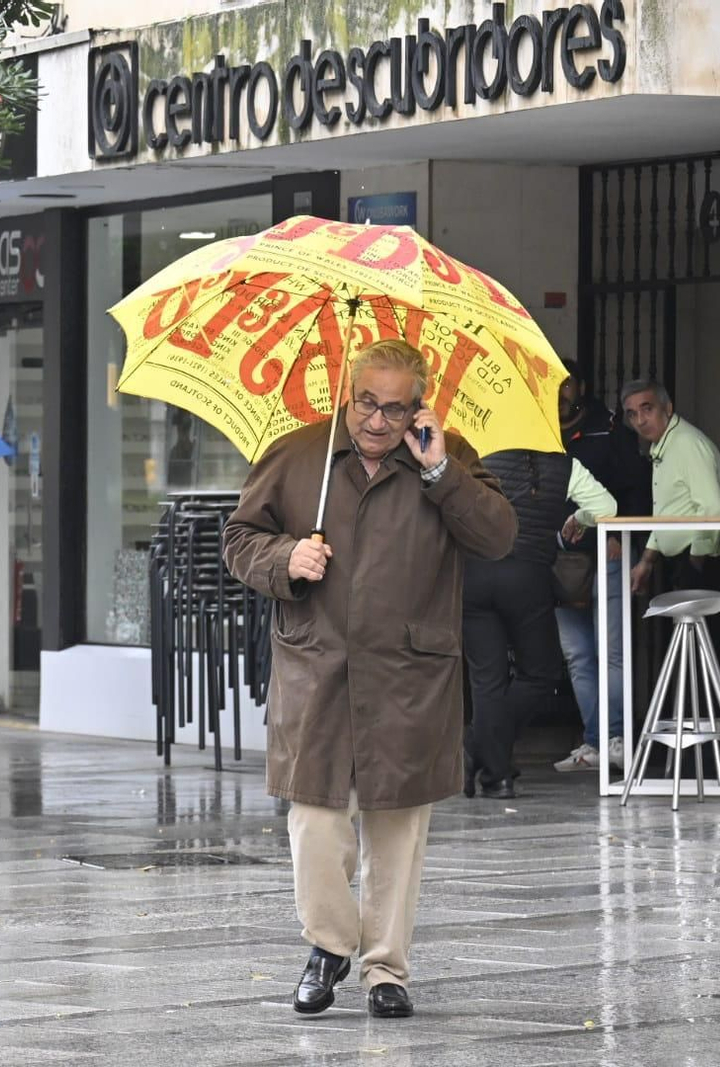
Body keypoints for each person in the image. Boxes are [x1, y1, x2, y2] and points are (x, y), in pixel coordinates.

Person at [223, 339, 516, 1020]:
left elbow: (498, 537)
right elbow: (238, 538)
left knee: (398, 831)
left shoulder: (448, 459)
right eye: (366, 403)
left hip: (409, 676)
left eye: (395, 408)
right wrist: (285, 555)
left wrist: (441, 469)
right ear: (346, 394)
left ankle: (386, 969)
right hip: (317, 669)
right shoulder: (299, 455)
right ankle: (328, 943)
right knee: (316, 821)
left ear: (420, 407)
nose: (378, 421)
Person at [464, 448, 615, 798]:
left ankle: (495, 773)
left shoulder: (475, 455)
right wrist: (580, 517)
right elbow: (607, 508)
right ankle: (480, 749)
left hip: (473, 574)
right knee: (542, 672)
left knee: (486, 680)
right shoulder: (564, 465)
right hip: (527, 577)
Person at [552, 366, 650, 773]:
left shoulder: (608, 430)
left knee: (611, 651)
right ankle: (594, 741)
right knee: (576, 654)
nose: (559, 392)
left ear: (582, 388)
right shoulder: (540, 432)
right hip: (562, 559)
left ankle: (618, 739)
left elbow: (636, 485)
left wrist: (621, 534)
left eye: (566, 383)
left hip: (608, 552)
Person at [620, 380, 720, 682]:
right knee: (695, 655)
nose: (640, 420)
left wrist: (697, 560)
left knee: (710, 654)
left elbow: (711, 507)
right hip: (685, 560)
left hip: (702, 560)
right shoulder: (664, 446)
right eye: (631, 414)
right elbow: (669, 512)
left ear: (667, 409)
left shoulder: (685, 443)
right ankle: (702, 724)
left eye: (647, 409)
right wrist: (647, 560)